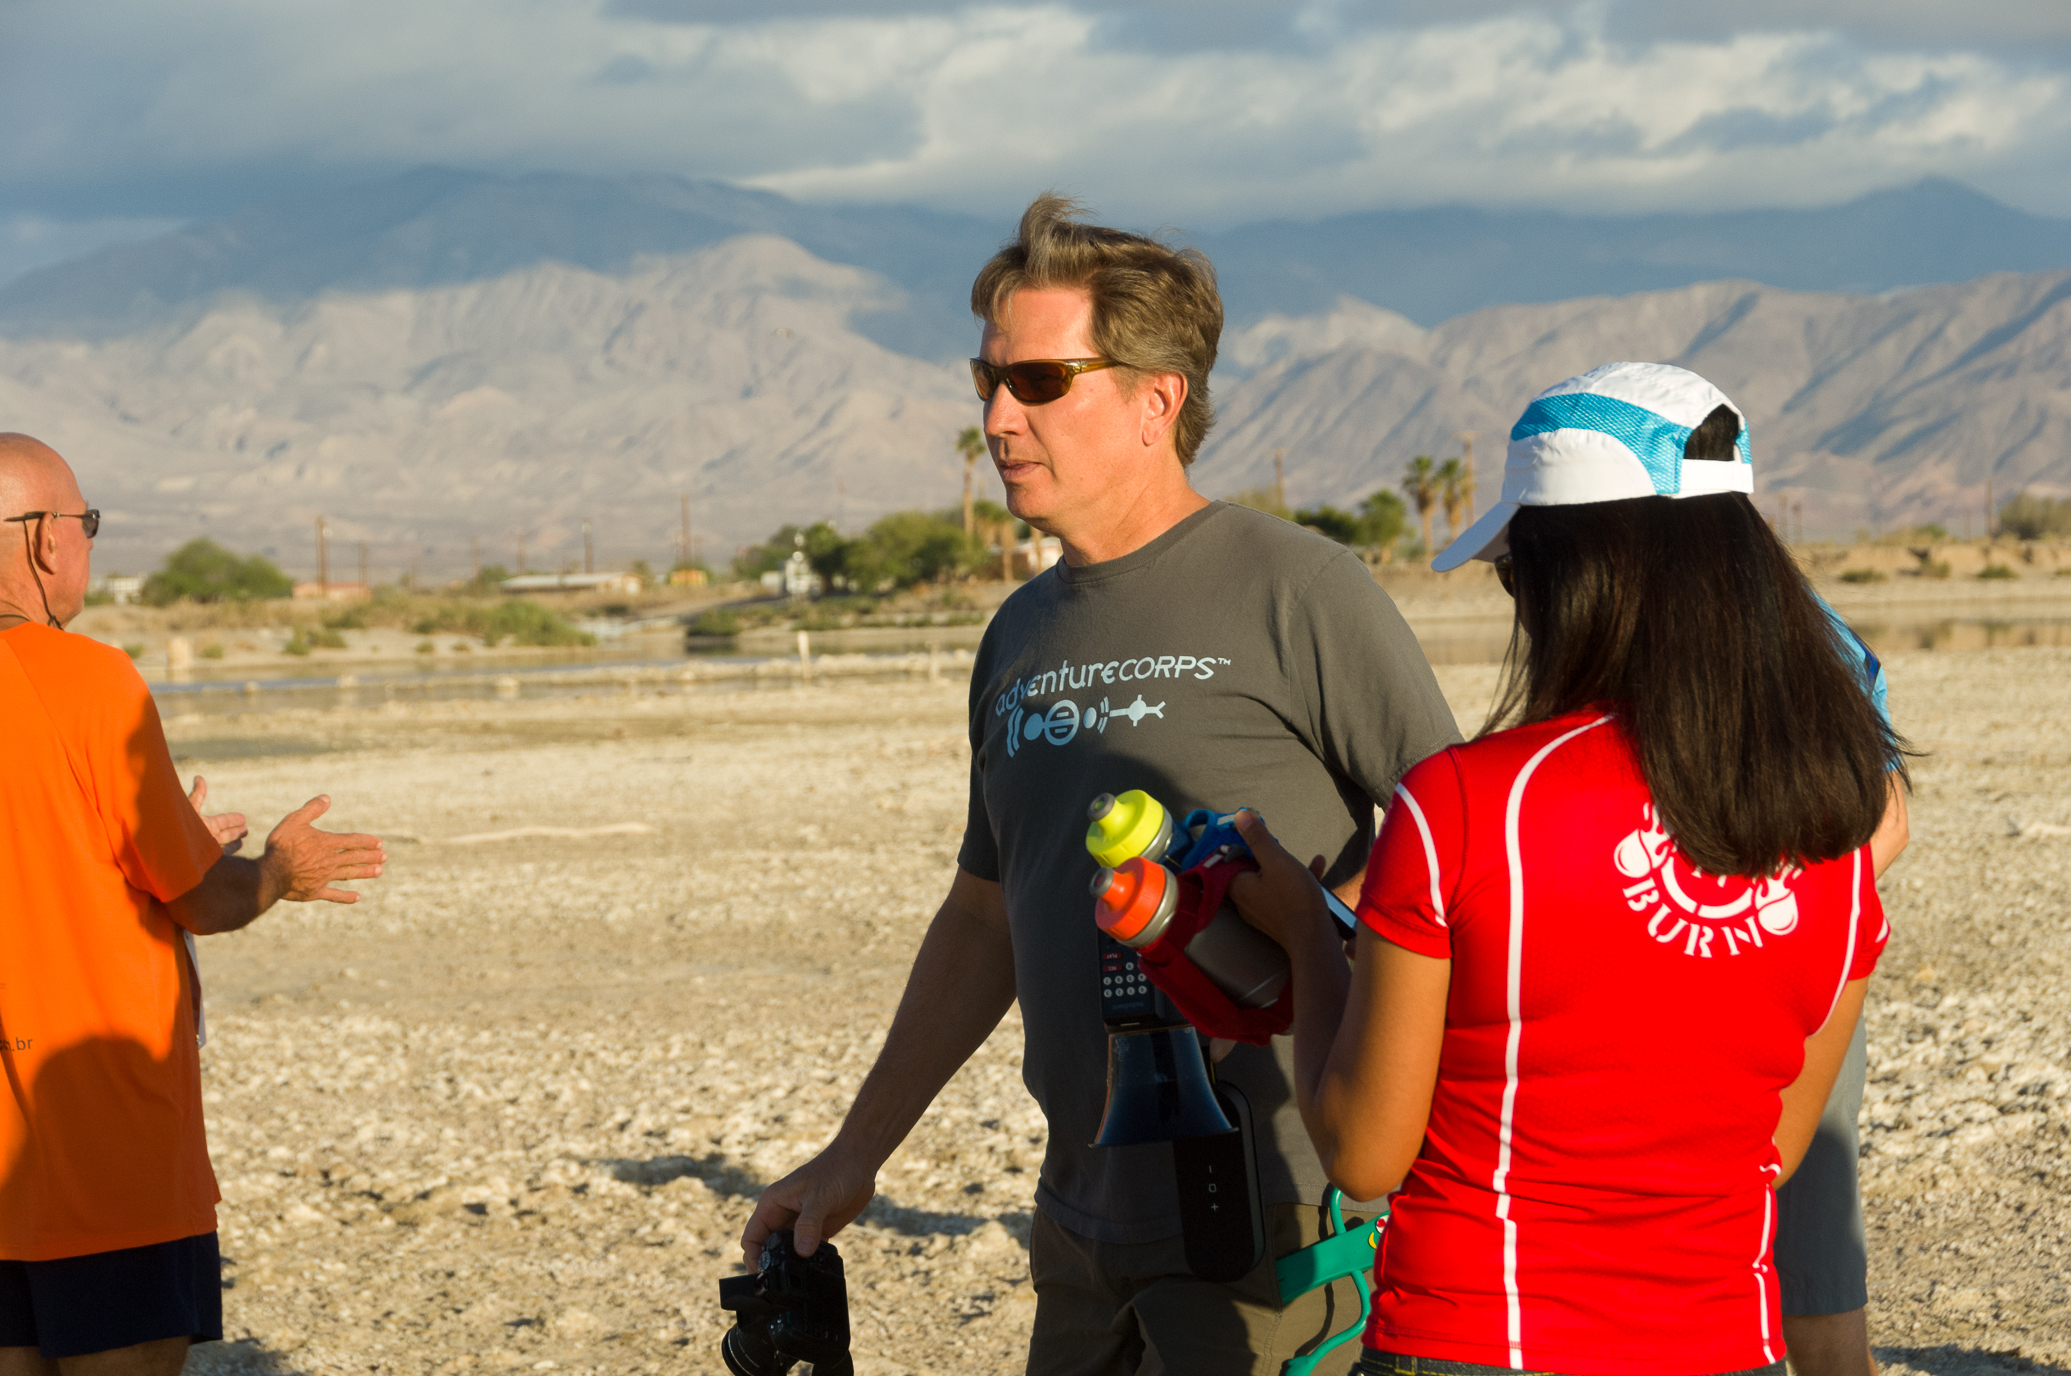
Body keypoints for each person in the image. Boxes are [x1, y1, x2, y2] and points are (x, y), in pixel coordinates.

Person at [741, 196, 1461, 1375]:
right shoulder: (1018, 633)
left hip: (1281, 1212)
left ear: (1155, 398)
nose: (995, 417)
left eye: (1036, 381)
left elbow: (1462, 850)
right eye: (985, 381)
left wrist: (1309, 953)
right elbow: (986, 916)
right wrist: (853, 1152)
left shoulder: (1298, 588)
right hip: (1082, 1217)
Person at [1227, 362, 1910, 1376]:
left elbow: (1365, 1152)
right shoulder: (1836, 831)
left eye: (1513, 570)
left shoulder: (1464, 803)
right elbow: (1775, 1147)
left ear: (1572, 572)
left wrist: (1302, 938)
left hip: (1482, 1337)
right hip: (1726, 1345)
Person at [0, 434, 387, 1376]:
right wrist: (275, 871)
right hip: (99, 1138)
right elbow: (207, 902)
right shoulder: (89, 680)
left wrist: (154, 853)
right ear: (48, 540)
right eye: (85, 524)